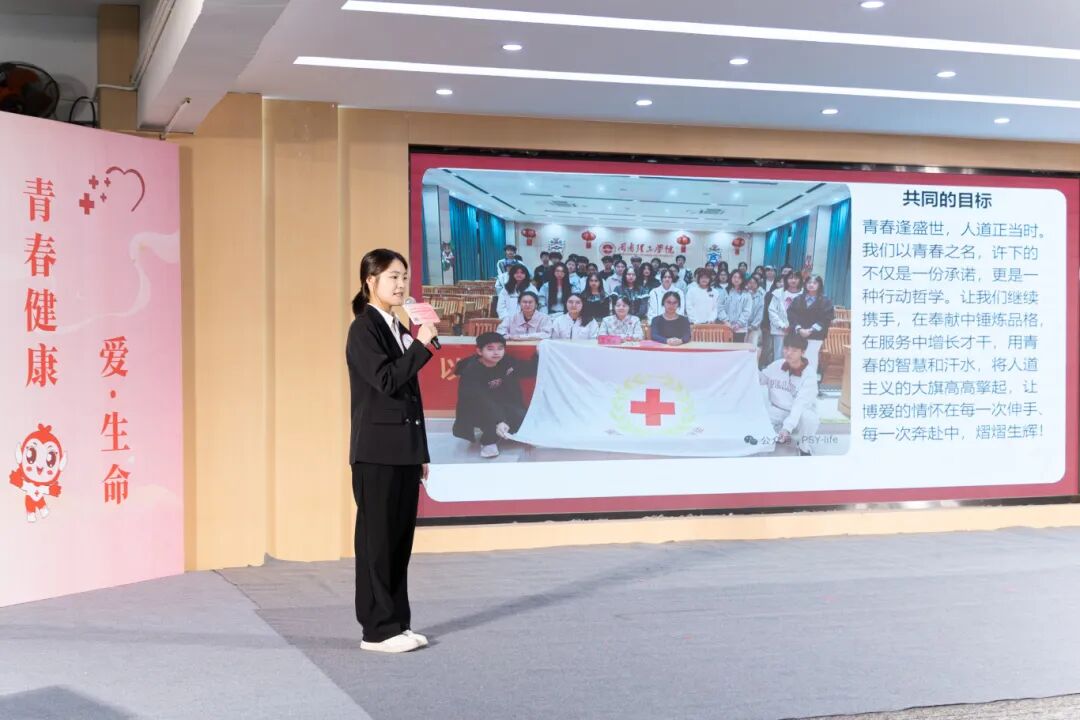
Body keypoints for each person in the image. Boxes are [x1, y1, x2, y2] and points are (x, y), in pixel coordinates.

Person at [346, 248, 438, 654]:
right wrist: (421, 346)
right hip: (377, 452)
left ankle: (398, 623)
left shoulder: (397, 325)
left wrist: (420, 451)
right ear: (371, 281)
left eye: (404, 276)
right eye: (392, 277)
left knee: (399, 543)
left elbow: (410, 396)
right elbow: (386, 381)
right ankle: (376, 631)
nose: (401, 285)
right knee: (377, 544)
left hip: (403, 451)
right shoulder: (364, 328)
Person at [452, 332, 536, 459]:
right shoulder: (471, 370)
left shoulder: (507, 361)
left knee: (521, 416)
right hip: (476, 407)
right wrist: (499, 420)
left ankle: (502, 430)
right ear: (479, 351)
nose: (496, 353)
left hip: (500, 404)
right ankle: (488, 442)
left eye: (500, 348)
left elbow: (528, 369)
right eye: (490, 349)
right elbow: (479, 399)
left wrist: (538, 354)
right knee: (491, 418)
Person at [759, 333, 819, 456]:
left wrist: (787, 427)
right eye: (786, 348)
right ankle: (779, 434)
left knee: (810, 419)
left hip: (800, 412)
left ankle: (804, 447)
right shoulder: (777, 365)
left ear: (803, 352)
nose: (788, 353)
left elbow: (800, 404)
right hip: (777, 410)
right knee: (756, 427)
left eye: (794, 350)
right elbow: (759, 380)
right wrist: (753, 361)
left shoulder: (810, 375)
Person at [785, 274, 835, 371]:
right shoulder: (798, 299)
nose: (811, 285)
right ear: (805, 284)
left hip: (816, 336)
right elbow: (791, 315)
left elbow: (826, 319)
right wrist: (799, 328)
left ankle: (810, 379)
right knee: (796, 358)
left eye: (814, 283)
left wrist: (811, 330)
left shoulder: (826, 301)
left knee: (811, 358)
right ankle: (795, 378)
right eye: (809, 282)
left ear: (819, 285)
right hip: (798, 334)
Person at [768, 272, 803, 360]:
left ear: (800, 280)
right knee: (779, 355)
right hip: (780, 330)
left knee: (796, 355)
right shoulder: (778, 293)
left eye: (796, 278)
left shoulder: (804, 293)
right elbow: (772, 311)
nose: (793, 280)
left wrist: (796, 326)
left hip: (798, 330)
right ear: (786, 280)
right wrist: (782, 326)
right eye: (790, 278)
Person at [721, 270, 753, 342]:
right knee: (726, 347)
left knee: (738, 348)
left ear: (742, 279)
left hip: (740, 328)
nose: (736, 279)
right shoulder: (725, 291)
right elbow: (720, 307)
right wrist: (726, 321)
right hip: (726, 326)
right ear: (731, 278)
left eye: (739, 278)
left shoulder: (746, 293)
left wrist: (739, 324)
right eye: (734, 277)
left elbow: (747, 311)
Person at [746, 275, 765, 356]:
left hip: (755, 327)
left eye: (754, 283)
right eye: (750, 282)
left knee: (754, 348)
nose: (752, 285)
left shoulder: (761, 296)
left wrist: (753, 325)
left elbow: (760, 313)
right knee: (743, 349)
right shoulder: (744, 294)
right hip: (742, 327)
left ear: (757, 285)